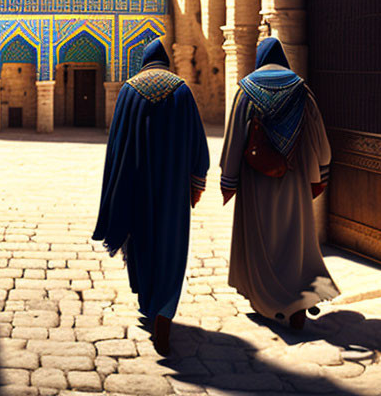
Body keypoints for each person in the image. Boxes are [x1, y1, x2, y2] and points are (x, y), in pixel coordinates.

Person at [93, 38, 209, 355]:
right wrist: (196, 182)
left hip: (137, 185)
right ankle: (164, 310)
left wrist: (114, 189)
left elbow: (116, 145)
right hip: (173, 190)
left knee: (142, 242)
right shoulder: (181, 90)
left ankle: (148, 300)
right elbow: (199, 142)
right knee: (171, 246)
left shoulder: (130, 90)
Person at [220, 37, 339, 329]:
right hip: (294, 178)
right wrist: (320, 172)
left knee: (261, 243)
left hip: (255, 182)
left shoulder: (246, 90)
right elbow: (319, 139)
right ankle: (297, 303)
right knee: (293, 242)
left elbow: (235, 137)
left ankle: (268, 301)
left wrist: (229, 177)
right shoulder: (300, 89)